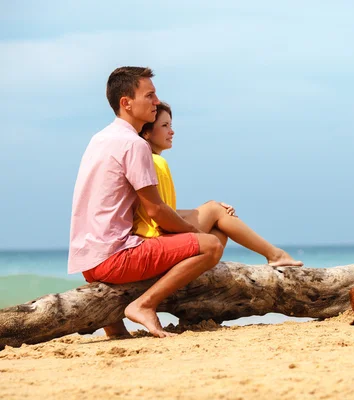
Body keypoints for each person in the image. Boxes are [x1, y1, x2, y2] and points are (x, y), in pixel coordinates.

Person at [68, 67, 225, 338]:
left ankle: (115, 326)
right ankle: (144, 304)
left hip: (87, 260)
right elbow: (156, 210)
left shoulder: (100, 138)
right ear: (126, 103)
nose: (156, 102)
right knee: (211, 245)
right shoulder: (134, 144)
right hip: (114, 257)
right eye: (150, 95)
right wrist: (196, 234)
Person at [132, 101, 304, 267]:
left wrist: (203, 211)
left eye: (171, 125)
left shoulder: (145, 160)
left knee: (219, 230)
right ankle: (275, 255)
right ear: (146, 133)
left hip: (150, 240)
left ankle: (197, 269)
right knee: (215, 209)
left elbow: (160, 209)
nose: (172, 132)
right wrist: (212, 210)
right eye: (165, 126)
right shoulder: (156, 162)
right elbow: (159, 216)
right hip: (156, 242)